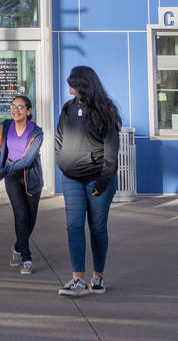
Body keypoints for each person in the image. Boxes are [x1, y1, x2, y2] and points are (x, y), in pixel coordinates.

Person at [55, 65, 121, 298]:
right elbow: (59, 138)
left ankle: (98, 277)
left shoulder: (105, 111)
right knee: (74, 226)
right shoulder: (67, 109)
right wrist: (62, 161)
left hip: (98, 180)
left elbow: (112, 150)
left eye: (72, 81)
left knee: (97, 228)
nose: (68, 84)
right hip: (71, 178)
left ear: (83, 84)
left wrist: (103, 180)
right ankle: (77, 280)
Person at [0, 94, 43, 275]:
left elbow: (27, 160)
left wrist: (2, 171)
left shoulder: (37, 132)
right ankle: (26, 258)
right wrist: (2, 170)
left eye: (20, 107)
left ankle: (18, 247)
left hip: (30, 176)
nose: (15, 110)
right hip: (11, 176)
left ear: (28, 111)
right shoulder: (5, 126)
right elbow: (2, 150)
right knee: (20, 215)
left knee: (31, 219)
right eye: (13, 106)